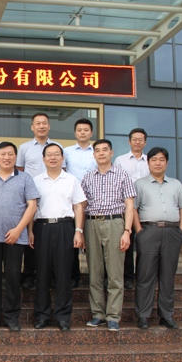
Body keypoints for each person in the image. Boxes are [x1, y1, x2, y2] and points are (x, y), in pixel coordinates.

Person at [0, 142, 39, 331]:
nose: (6, 157)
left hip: (16, 237)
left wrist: (19, 229)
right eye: (2, 154)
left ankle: (12, 318)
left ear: (15, 157)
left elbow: (32, 206)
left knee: (13, 277)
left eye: (10, 154)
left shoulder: (25, 178)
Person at [29, 143, 86, 331]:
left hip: (65, 227)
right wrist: (30, 231)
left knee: (63, 274)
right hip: (42, 228)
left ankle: (63, 316)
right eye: (49, 155)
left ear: (62, 158)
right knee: (42, 273)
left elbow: (78, 206)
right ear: (43, 159)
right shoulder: (36, 180)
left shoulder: (71, 180)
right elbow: (31, 208)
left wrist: (78, 231)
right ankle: (42, 315)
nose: (53, 158)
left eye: (56, 155)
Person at [81, 139, 136, 332]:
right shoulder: (87, 178)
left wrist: (127, 231)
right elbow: (82, 206)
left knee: (115, 273)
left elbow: (130, 206)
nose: (101, 153)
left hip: (115, 223)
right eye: (97, 150)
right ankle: (98, 314)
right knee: (95, 273)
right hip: (92, 224)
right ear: (94, 155)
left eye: (105, 150)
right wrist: (80, 231)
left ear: (111, 153)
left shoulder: (122, 175)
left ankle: (113, 316)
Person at [133, 147, 182, 330]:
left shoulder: (176, 184)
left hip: (172, 232)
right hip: (148, 231)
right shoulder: (139, 184)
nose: (158, 163)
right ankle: (143, 315)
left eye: (161, 160)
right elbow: (133, 209)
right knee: (145, 275)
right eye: (154, 160)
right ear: (148, 163)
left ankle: (166, 315)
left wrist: (181, 231)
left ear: (167, 162)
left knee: (168, 276)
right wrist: (139, 231)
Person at [16, 112, 62, 290]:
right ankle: (29, 274)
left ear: (49, 126)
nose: (41, 126)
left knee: (51, 237)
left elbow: (62, 169)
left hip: (52, 194)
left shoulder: (57, 147)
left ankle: (52, 276)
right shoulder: (24, 148)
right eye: (38, 123)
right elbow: (19, 171)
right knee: (30, 234)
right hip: (30, 196)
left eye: (44, 123)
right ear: (32, 127)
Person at [63, 118, 97, 288]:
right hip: (73, 201)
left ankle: (96, 277)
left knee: (92, 239)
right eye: (79, 130)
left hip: (94, 201)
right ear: (75, 133)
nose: (83, 133)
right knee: (74, 239)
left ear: (91, 133)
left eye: (86, 130)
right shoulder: (67, 151)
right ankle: (74, 276)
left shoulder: (97, 151)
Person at [114, 128, 150, 290]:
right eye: (134, 139)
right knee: (127, 241)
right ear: (129, 142)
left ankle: (143, 275)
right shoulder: (120, 160)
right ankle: (128, 277)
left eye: (141, 139)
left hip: (145, 206)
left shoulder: (150, 160)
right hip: (127, 207)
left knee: (144, 242)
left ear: (145, 142)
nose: (137, 142)